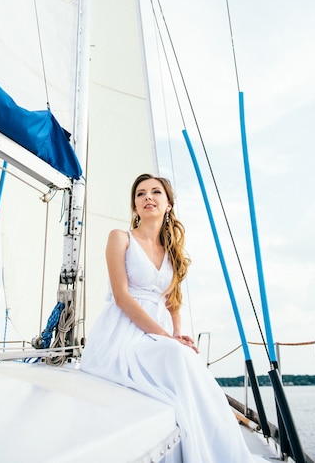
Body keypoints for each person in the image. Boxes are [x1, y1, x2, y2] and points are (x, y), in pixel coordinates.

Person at [80, 173, 255, 462]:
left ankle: (219, 448)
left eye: (155, 192)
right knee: (178, 356)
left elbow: (173, 300)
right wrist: (166, 337)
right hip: (123, 330)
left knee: (187, 357)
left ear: (168, 204)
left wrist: (177, 333)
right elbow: (122, 297)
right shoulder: (120, 238)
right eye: (140, 194)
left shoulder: (172, 251)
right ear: (135, 207)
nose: (147, 197)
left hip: (158, 331)